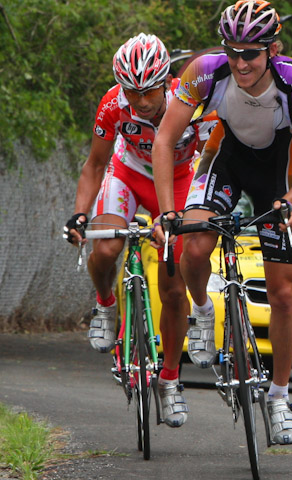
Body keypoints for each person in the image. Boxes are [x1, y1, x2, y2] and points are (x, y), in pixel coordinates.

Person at [152, 0, 292, 446]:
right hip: (226, 161)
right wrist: (168, 211)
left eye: (251, 53)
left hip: (282, 173)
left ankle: (280, 396)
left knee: (284, 292)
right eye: (233, 51)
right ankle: (202, 309)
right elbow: (164, 139)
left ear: (273, 49)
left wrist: (291, 202)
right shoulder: (205, 71)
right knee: (192, 244)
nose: (241, 62)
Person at [63, 33, 214, 428]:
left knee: (174, 285)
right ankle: (105, 302)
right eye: (132, 91)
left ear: (166, 81)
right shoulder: (113, 104)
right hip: (128, 176)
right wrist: (80, 214)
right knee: (107, 246)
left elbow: (210, 158)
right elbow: (96, 165)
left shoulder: (191, 100)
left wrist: (175, 215)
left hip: (180, 182)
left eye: (148, 91)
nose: (142, 101)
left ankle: (169, 380)